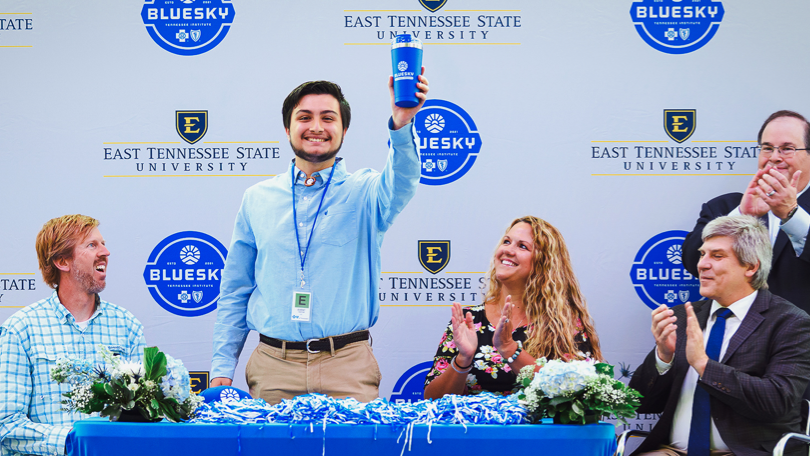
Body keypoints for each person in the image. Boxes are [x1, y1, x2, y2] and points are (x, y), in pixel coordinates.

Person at [211, 73, 429, 404]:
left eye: (328, 118)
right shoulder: (257, 198)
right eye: (304, 117)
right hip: (273, 368)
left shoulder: (366, 192)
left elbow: (403, 179)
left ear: (343, 130)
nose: (317, 126)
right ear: (287, 129)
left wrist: (401, 123)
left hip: (347, 368)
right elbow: (235, 290)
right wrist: (222, 369)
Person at [630, 215, 810, 456]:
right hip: (671, 452)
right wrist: (664, 356)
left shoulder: (790, 322)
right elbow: (640, 405)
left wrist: (703, 365)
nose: (702, 264)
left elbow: (777, 402)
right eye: (703, 254)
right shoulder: (681, 316)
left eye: (717, 256)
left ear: (751, 266)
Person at [0, 215, 145, 456]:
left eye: (103, 243)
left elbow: (140, 414)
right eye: (92, 245)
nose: (106, 252)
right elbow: (6, 425)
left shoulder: (128, 325)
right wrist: (73, 441)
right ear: (62, 261)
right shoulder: (21, 328)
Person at [423, 216, 602, 398]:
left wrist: (510, 348)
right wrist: (463, 359)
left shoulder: (564, 324)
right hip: (475, 427)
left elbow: (578, 394)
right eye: (506, 241)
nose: (508, 250)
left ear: (543, 263)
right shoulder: (469, 320)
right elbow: (432, 400)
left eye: (522, 246)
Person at [683, 110, 810, 314]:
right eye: (767, 148)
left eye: (787, 149)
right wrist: (742, 215)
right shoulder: (724, 208)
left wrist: (791, 214)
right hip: (733, 337)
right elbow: (692, 261)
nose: (775, 157)